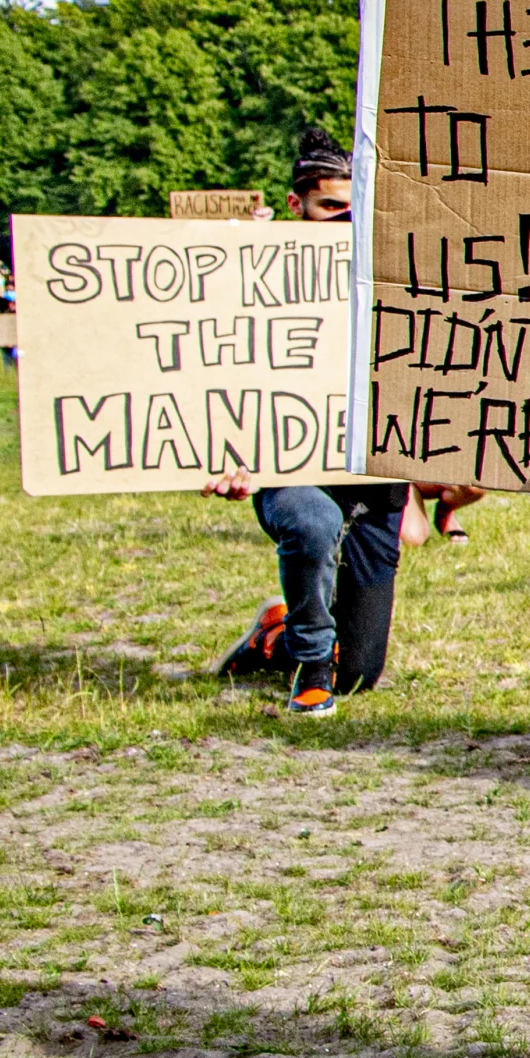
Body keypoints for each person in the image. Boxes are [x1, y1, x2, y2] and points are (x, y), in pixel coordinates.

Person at [210, 134, 405, 716]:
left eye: (356, 208)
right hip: (291, 467)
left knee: (360, 674)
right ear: (296, 205)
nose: (346, 220)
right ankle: (311, 663)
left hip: (374, 480)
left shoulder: (393, 267)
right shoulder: (253, 275)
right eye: (331, 207)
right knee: (314, 523)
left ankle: (274, 633)